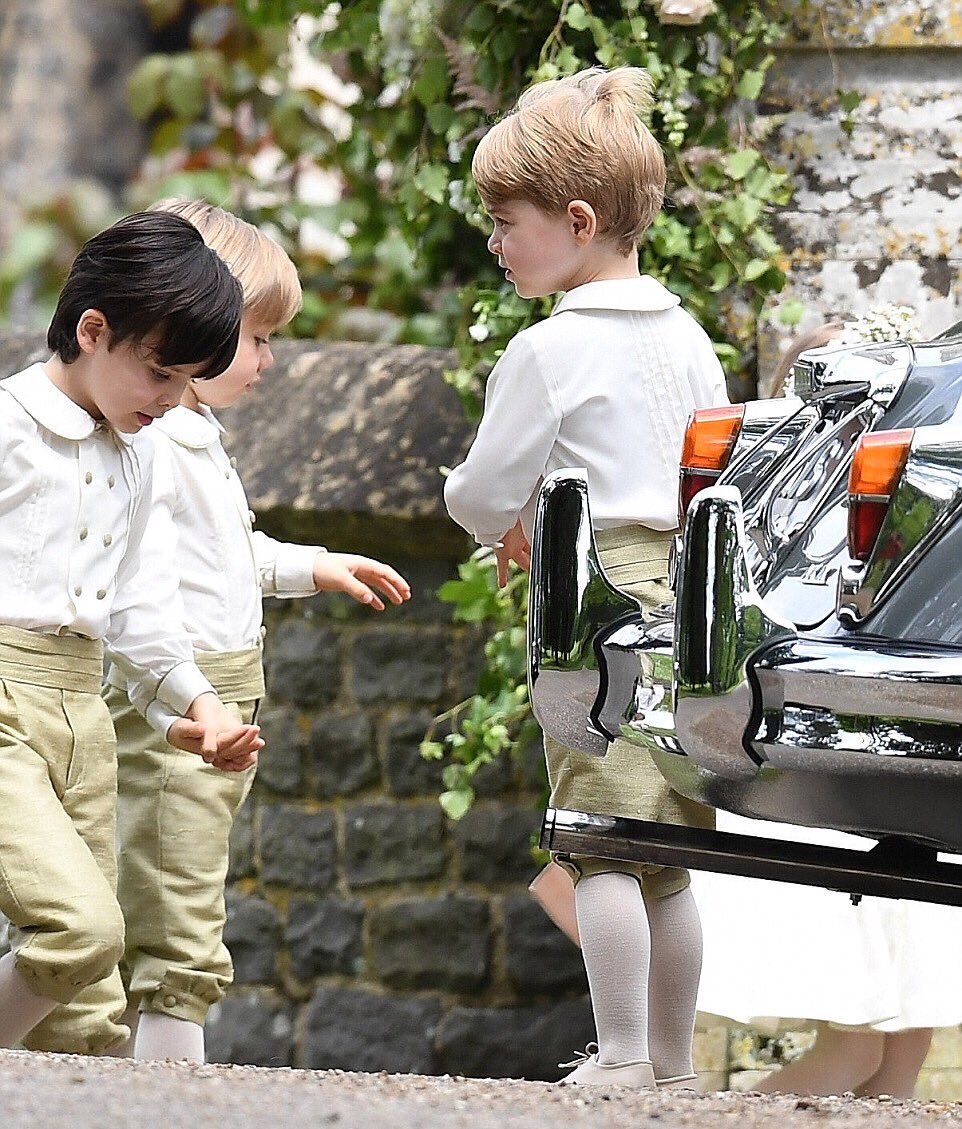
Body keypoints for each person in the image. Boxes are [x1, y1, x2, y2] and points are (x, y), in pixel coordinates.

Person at [33, 198, 413, 1064]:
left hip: (214, 699)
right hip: (182, 708)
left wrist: (308, 564)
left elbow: (226, 551)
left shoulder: (186, 431)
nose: (269, 359)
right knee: (176, 921)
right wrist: (187, 699)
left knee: (180, 899)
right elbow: (139, 587)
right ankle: (168, 1086)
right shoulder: (156, 440)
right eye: (256, 335)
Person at [444, 66, 729, 1089]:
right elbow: (711, 471)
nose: (495, 241)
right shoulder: (688, 338)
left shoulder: (548, 350)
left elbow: (481, 495)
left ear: (573, 219)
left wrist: (499, 516)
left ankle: (616, 1056)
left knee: (597, 832)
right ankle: (669, 1061)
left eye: (503, 220)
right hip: (688, 593)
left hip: (591, 589)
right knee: (666, 848)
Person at [0, 210, 264, 1055]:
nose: (170, 399)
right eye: (160, 371)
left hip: (83, 716)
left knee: (88, 1020)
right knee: (80, 932)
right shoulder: (7, 431)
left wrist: (201, 702)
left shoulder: (142, 452)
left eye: (188, 380)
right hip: (4, 708)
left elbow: (140, 607)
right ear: (92, 329)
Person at [693, 312, 962, 1099]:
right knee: (858, 1051)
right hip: (865, 782)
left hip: (912, 791)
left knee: (899, 1058)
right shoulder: (788, 530)